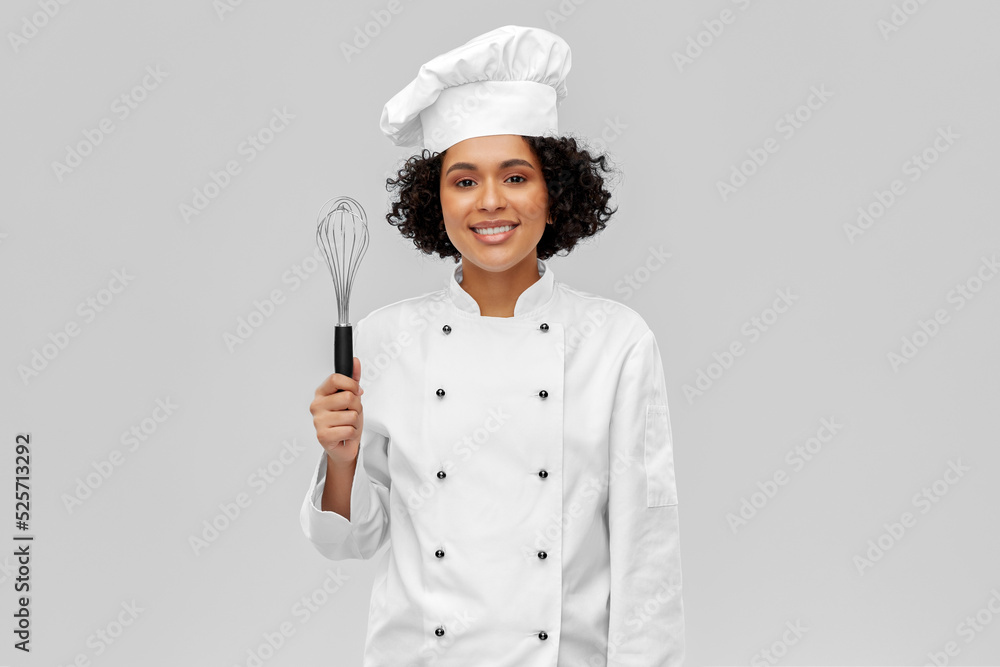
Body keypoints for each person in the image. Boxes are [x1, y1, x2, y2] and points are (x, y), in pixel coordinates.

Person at [300, 24, 685, 666]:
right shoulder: (384, 339)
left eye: (515, 176)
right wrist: (340, 459)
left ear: (554, 194)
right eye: (463, 181)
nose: (490, 203)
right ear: (436, 200)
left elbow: (648, 550)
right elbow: (349, 541)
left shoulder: (616, 342)